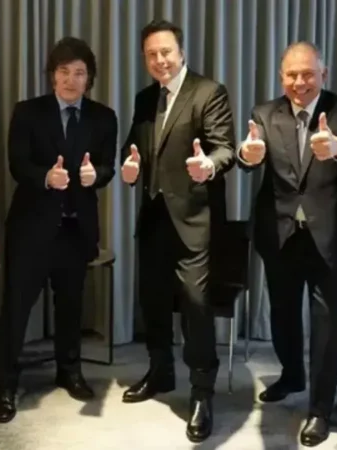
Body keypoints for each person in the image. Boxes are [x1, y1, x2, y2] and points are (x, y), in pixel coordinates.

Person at [237, 41, 337, 446]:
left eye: (308, 74)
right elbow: (250, 153)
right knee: (282, 313)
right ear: (282, 77)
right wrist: (246, 155)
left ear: (323, 74)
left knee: (327, 322)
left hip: (330, 235)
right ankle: (292, 375)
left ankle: (320, 409)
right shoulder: (265, 112)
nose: (300, 82)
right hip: (279, 233)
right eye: (292, 75)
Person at [119, 19, 235, 443]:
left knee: (195, 306)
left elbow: (225, 149)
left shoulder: (209, 92)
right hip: (154, 218)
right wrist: (129, 167)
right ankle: (160, 371)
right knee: (152, 300)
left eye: (165, 52)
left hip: (195, 221)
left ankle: (202, 392)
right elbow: (133, 149)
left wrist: (209, 166)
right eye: (151, 54)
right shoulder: (144, 98)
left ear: (181, 52)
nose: (159, 60)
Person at [0, 36, 117, 423]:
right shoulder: (27, 112)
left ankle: (69, 370)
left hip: (76, 229)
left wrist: (97, 175)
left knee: (71, 306)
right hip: (31, 227)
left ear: (89, 78)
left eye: (79, 73)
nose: (71, 80)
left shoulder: (104, 117)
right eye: (64, 71)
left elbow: (108, 166)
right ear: (52, 76)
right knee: (16, 307)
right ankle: (6, 384)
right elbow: (17, 164)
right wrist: (46, 177)